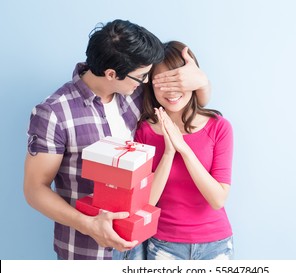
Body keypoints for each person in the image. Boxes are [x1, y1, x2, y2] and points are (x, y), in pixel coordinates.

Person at [23, 20, 211, 260]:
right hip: (85, 251)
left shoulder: (133, 95)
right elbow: (34, 189)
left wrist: (202, 81)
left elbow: (189, 107)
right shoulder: (54, 113)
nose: (146, 82)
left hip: (137, 248)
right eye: (142, 76)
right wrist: (88, 224)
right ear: (111, 74)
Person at [135, 41, 234, 260]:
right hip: (164, 245)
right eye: (162, 82)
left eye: (177, 81)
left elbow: (218, 199)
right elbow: (146, 203)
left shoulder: (219, 127)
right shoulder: (144, 131)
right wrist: (169, 152)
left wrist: (184, 149)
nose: (171, 91)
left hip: (215, 245)